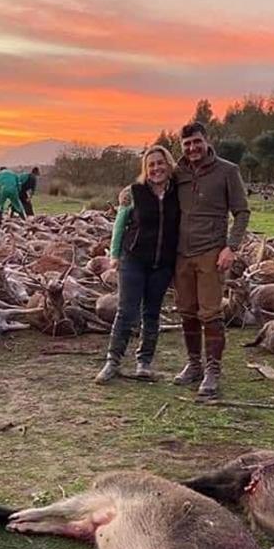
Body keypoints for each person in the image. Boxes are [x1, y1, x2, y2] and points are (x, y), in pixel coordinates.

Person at [170, 122, 250, 398]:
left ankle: (213, 370)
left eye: (196, 142)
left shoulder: (228, 171)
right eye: (187, 144)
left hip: (211, 253)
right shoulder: (176, 172)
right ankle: (194, 365)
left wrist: (231, 247)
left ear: (207, 141)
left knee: (210, 313)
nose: (192, 148)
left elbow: (241, 212)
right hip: (181, 253)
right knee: (186, 311)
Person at [95, 146, 179, 384]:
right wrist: (114, 255)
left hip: (162, 263)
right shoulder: (134, 192)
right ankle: (113, 361)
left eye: (160, 163)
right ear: (145, 169)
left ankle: (144, 363)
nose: (156, 168)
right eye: (151, 165)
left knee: (152, 313)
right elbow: (120, 225)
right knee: (126, 311)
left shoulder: (178, 193)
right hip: (134, 260)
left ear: (168, 165)